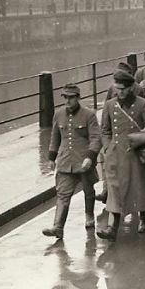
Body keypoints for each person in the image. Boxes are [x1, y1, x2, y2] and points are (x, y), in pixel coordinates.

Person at [97, 71, 145, 241]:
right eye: (117, 88)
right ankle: (113, 228)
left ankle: (143, 218)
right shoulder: (110, 105)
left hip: (137, 153)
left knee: (140, 186)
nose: (119, 92)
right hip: (116, 155)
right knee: (115, 189)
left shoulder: (142, 104)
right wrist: (107, 147)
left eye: (123, 89)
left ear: (130, 88)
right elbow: (105, 129)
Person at [43, 83, 102, 238]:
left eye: (70, 98)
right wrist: (51, 158)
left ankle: (89, 215)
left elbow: (96, 138)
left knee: (88, 191)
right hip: (65, 161)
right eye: (65, 97)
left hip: (83, 162)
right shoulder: (58, 114)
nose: (67, 101)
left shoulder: (89, 115)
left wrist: (90, 157)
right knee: (63, 194)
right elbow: (55, 137)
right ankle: (58, 227)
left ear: (78, 98)